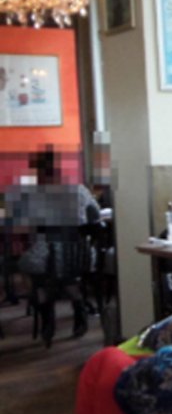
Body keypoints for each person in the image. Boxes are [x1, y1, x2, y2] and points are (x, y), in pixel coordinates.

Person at [6, 146, 100, 344]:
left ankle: (46, 315)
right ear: (58, 168)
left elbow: (16, 222)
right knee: (65, 273)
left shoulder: (30, 195)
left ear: (37, 172)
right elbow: (96, 216)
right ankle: (78, 307)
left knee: (30, 266)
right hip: (81, 256)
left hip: (45, 257)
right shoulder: (79, 190)